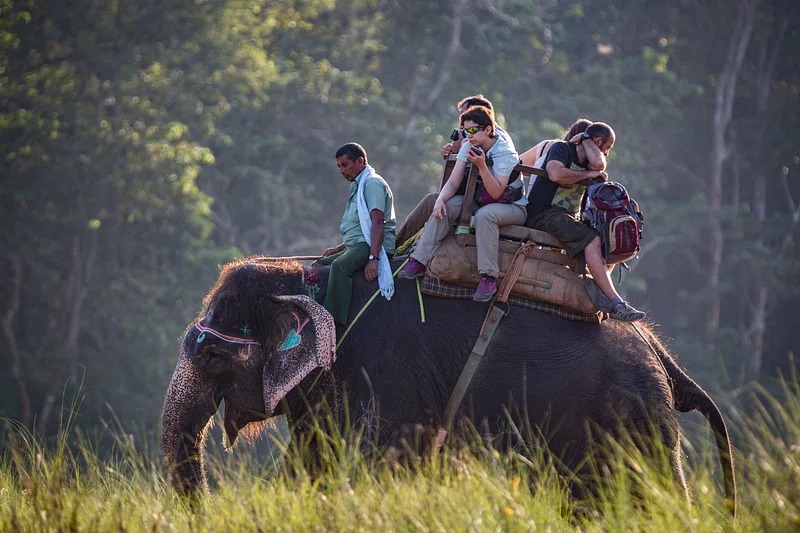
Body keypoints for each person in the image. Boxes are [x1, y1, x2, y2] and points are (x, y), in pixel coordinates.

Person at [398, 105, 526, 302]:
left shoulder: (504, 153)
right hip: (481, 201)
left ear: (488, 129)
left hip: (512, 207)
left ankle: (488, 277)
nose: (469, 136)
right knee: (447, 206)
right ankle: (419, 260)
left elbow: (496, 191)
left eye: (473, 130)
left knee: (485, 216)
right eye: (465, 131)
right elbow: (454, 182)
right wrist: (440, 200)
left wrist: (482, 165)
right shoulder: (468, 146)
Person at [526, 122, 646, 322]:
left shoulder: (590, 163)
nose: (606, 154)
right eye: (607, 148)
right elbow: (555, 173)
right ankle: (616, 302)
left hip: (565, 218)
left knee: (603, 238)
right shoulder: (561, 149)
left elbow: (599, 165)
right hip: (542, 213)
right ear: (597, 142)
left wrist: (587, 142)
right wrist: (588, 160)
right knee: (591, 239)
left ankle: (602, 297)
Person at [395, 94, 504, 247]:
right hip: (469, 193)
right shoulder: (474, 137)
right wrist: (453, 151)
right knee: (434, 200)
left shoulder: (497, 139)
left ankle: (395, 246)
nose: (462, 123)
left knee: (433, 201)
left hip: (483, 199)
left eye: (466, 115)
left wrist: (463, 145)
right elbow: (455, 179)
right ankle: (400, 244)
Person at [314, 143, 396, 325]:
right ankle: (313, 314)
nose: (341, 171)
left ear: (360, 161)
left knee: (339, 266)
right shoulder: (358, 185)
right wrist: (338, 248)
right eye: (339, 167)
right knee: (318, 266)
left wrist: (374, 258)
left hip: (371, 245)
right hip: (358, 243)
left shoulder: (372, 183)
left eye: (345, 165)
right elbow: (361, 227)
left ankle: (332, 322)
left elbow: (377, 223)